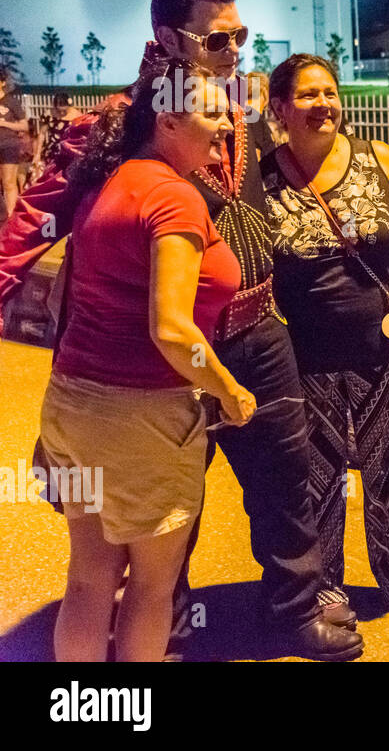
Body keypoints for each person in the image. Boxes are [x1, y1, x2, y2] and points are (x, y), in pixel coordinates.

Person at [0, 0, 363, 661]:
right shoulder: (119, 121)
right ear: (168, 37)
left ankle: (291, 607)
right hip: (161, 352)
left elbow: (292, 181)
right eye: (217, 37)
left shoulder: (238, 110)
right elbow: (33, 221)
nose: (234, 50)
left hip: (257, 332)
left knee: (288, 479)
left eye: (241, 35)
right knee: (164, 512)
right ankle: (161, 621)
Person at [39, 58, 253, 661]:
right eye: (212, 111)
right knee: (153, 589)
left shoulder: (114, 179)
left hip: (74, 405)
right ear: (167, 118)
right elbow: (170, 328)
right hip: (143, 416)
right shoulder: (174, 198)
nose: (227, 123)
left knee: (87, 581)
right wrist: (229, 390)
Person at [263, 53, 389, 618]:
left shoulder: (379, 159)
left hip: (385, 348)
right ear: (279, 108)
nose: (323, 104)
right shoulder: (263, 175)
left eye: (329, 92)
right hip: (305, 356)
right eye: (307, 95)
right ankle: (324, 587)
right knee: (316, 480)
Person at [0, 69, 32, 218]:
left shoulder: (11, 101)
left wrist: (4, 123)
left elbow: (24, 126)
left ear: (2, 82)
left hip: (8, 145)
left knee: (8, 182)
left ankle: (12, 217)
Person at [37, 92, 81, 174]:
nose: (61, 114)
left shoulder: (77, 116)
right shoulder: (49, 114)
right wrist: (37, 154)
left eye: (64, 111)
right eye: (58, 110)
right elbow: (42, 134)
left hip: (69, 151)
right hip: (52, 151)